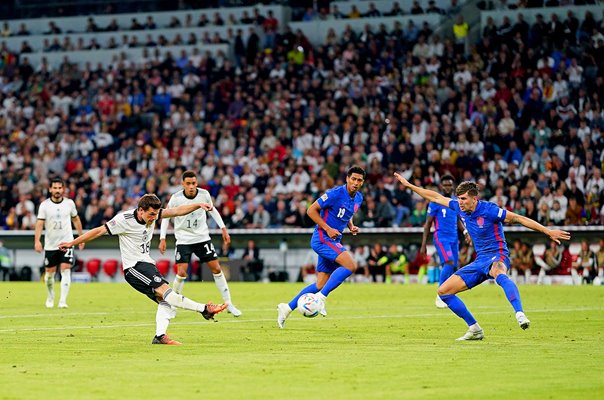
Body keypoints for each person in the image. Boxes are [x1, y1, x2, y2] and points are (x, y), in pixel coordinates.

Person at [393, 173, 570, 341]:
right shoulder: (459, 208)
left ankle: (519, 313)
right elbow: (435, 197)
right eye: (458, 199)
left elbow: (517, 218)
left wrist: (547, 231)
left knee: (499, 273)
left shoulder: (490, 210)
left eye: (463, 199)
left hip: (497, 255)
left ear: (474, 198)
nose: (459, 202)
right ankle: (475, 329)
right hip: (479, 261)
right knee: (443, 292)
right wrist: (409, 185)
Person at [58, 194, 227, 345]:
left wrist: (198, 205)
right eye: (151, 215)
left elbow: (177, 211)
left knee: (166, 302)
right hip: (134, 268)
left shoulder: (154, 213)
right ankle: (204, 309)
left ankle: (160, 336)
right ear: (140, 211)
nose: (154, 218)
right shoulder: (123, 220)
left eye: (156, 214)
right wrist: (72, 243)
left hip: (147, 264)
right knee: (168, 293)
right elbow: (98, 231)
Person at [277, 166, 366, 329]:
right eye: (353, 179)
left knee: (319, 284)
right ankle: (320, 299)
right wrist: (327, 228)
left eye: (359, 180)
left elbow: (347, 214)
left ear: (362, 182)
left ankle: (287, 307)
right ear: (347, 178)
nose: (356, 183)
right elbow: (311, 210)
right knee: (350, 265)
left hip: (334, 239)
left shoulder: (358, 198)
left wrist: (351, 226)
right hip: (322, 238)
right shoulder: (335, 193)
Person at [159, 170, 241, 317]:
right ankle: (173, 304)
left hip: (202, 238)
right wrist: (162, 238)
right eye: (188, 184)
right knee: (182, 272)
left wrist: (223, 228)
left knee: (216, 268)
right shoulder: (176, 198)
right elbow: (166, 216)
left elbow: (212, 210)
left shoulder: (204, 194)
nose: (191, 186)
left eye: (194, 183)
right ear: (183, 184)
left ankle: (228, 303)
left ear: (197, 183)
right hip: (183, 239)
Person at [419, 174, 471, 308]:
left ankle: (448, 294)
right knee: (449, 262)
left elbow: (458, 219)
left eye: (449, 184)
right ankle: (440, 295)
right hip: (441, 237)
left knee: (453, 266)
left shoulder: (455, 202)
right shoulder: (435, 202)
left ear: (453, 186)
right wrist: (423, 244)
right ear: (441, 186)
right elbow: (428, 223)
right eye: (445, 185)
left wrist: (465, 231)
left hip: (454, 238)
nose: (447, 187)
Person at [34, 178, 84, 309]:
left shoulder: (69, 204)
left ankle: (63, 301)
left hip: (67, 242)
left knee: (66, 269)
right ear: (50, 189)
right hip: (50, 245)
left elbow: (76, 220)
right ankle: (50, 296)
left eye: (59, 188)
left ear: (63, 189)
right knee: (49, 274)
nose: (57, 190)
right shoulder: (44, 205)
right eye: (54, 188)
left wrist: (81, 238)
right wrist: (37, 241)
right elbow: (39, 224)